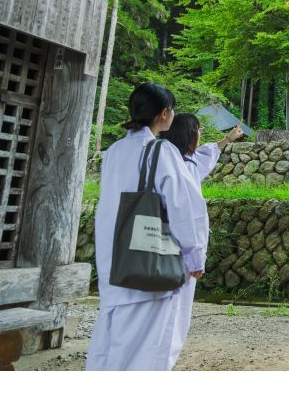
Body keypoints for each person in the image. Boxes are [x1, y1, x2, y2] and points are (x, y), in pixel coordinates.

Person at [86, 83, 209, 371]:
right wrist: (194, 255)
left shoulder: (114, 151)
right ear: (164, 114)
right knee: (148, 352)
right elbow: (184, 206)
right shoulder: (161, 151)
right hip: (149, 264)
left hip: (116, 263)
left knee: (111, 346)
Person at [159, 114, 243, 367]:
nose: (201, 134)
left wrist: (227, 139)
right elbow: (190, 217)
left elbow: (208, 154)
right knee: (174, 311)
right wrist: (196, 260)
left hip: (149, 245)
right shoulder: (184, 170)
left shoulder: (166, 160)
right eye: (199, 129)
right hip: (178, 250)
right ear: (190, 134)